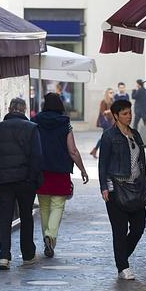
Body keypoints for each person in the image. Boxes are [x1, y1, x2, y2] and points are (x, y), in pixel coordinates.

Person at [0, 98, 43, 270]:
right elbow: (37, 156)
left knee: (4, 219)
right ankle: (27, 254)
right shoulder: (32, 128)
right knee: (26, 217)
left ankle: (4, 256)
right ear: (24, 110)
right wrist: (32, 179)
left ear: (9, 109)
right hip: (25, 180)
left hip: (3, 180)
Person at [32, 93, 89, 258]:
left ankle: (46, 238)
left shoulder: (35, 121)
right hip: (60, 170)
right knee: (57, 205)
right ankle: (51, 235)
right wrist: (82, 169)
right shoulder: (65, 123)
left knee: (43, 207)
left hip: (41, 169)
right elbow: (72, 150)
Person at [98, 99, 146, 280]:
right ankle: (123, 266)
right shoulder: (109, 136)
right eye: (125, 114)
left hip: (136, 187)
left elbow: (141, 162)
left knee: (139, 226)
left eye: (130, 113)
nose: (129, 116)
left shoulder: (135, 134)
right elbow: (102, 163)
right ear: (115, 116)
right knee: (119, 230)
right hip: (116, 188)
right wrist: (104, 186)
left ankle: (121, 256)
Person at [90, 88, 115, 158]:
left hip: (111, 122)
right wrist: (110, 110)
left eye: (112, 92)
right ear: (107, 94)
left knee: (106, 137)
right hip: (106, 122)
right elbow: (102, 112)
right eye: (110, 92)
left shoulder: (112, 101)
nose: (112, 94)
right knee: (106, 137)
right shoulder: (104, 102)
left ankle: (95, 150)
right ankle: (97, 150)